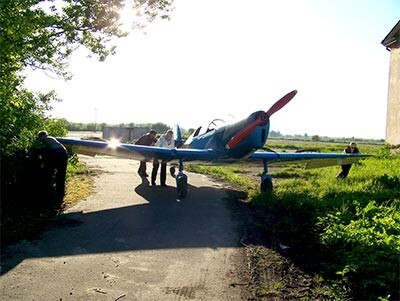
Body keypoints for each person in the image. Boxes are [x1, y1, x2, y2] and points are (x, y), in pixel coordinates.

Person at [37, 130, 68, 203]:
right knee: (61, 175)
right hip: (63, 153)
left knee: (49, 175)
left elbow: (42, 151)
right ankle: (60, 196)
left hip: (54, 153)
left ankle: (49, 195)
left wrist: (42, 162)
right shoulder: (52, 138)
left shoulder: (41, 139)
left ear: (40, 135)